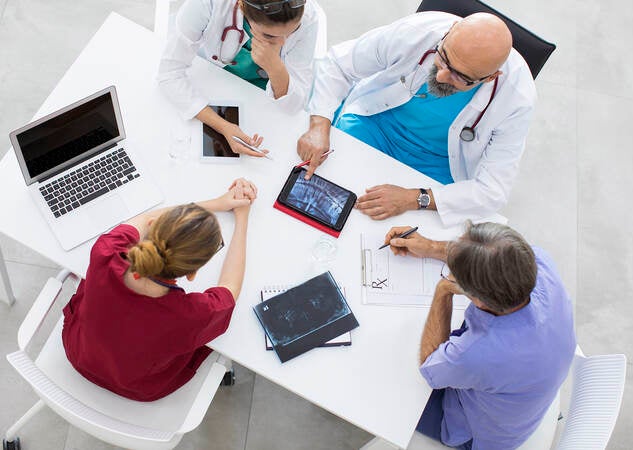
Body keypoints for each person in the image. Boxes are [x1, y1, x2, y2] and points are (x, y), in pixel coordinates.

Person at [298, 12, 536, 226]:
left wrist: (413, 198)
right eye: (443, 57)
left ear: (490, 78)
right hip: (375, 125)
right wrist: (319, 127)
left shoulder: (517, 96)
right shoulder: (417, 32)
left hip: (439, 164)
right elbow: (338, 63)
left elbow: (493, 190)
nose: (442, 75)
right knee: (325, 192)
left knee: (388, 233)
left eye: (459, 76)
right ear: (450, 30)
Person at [382, 222, 575, 449]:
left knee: (381, 383)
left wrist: (443, 290)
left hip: (474, 434)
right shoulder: (541, 264)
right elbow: (496, 256)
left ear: (477, 299)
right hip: (527, 398)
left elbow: (430, 367)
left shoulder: (479, 352)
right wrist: (431, 247)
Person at [62, 178, 257, 401]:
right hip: (138, 387)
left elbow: (144, 219)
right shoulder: (193, 314)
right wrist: (242, 219)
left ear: (154, 225)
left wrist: (216, 203)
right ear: (192, 274)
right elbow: (230, 288)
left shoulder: (105, 253)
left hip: (79, 355)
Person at [158, 0, 322, 157]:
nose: (282, 42)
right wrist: (223, 127)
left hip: (263, 98)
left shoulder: (308, 15)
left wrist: (275, 68)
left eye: (293, 31)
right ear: (241, 4)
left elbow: (294, 105)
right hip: (211, 78)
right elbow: (169, 74)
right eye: (269, 35)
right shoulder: (208, 3)